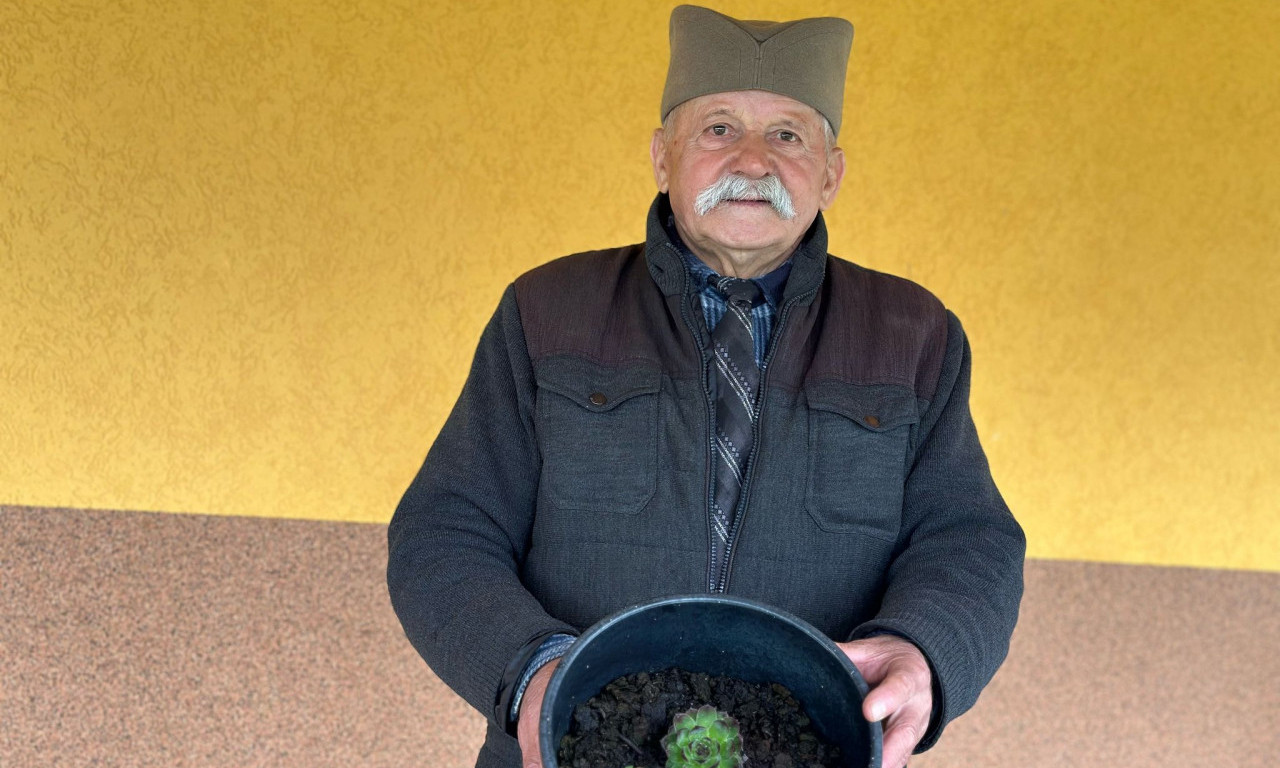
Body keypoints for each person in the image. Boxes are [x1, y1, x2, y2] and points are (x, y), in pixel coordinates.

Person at [387, 6, 1025, 768]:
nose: (753, 162)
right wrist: (532, 675)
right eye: (718, 129)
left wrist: (924, 650)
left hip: (809, 749)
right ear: (663, 157)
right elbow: (445, 530)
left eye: (787, 135)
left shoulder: (914, 334)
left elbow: (969, 541)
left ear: (831, 173)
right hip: (571, 745)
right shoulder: (548, 311)